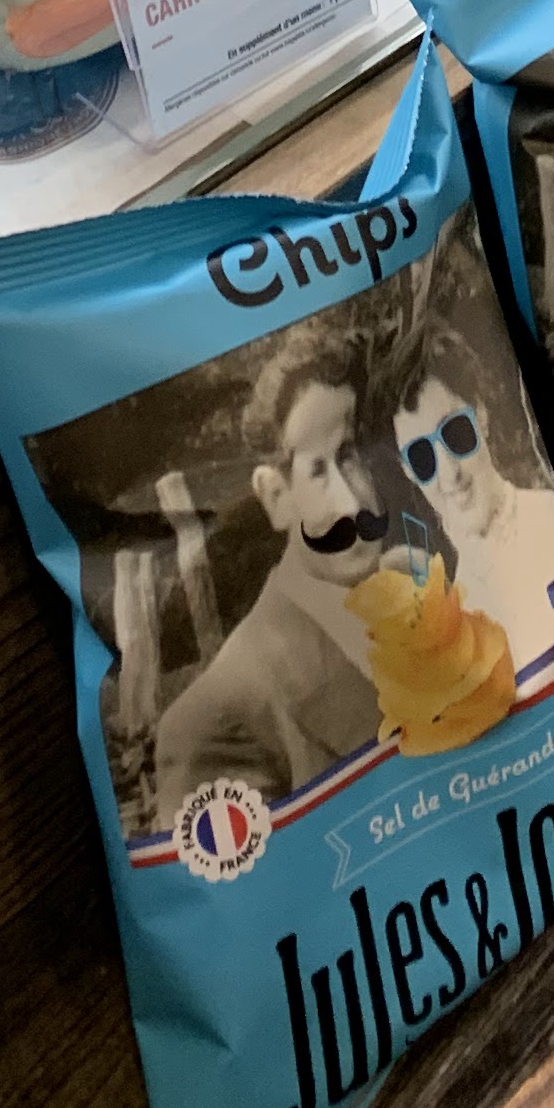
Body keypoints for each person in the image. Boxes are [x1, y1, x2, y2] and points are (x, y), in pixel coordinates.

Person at [150, 317, 384, 808]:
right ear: (277, 497)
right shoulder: (212, 726)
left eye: (351, 456)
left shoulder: (425, 587)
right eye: (318, 471)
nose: (351, 503)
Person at [383, 324, 554, 674]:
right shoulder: (453, 606)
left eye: (455, 433)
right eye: (422, 457)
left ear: (483, 417)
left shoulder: (551, 523)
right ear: (408, 471)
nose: (450, 473)